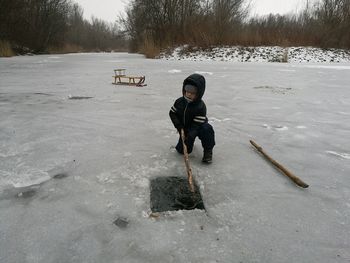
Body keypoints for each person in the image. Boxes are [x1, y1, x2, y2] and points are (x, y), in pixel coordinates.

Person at [169, 73, 215, 163]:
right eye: (187, 91)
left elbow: (196, 125)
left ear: (199, 93)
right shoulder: (179, 102)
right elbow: (172, 113)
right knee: (182, 151)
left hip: (199, 127)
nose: (189, 94)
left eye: (192, 93)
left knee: (207, 129)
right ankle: (188, 143)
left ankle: (208, 151)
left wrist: (191, 135)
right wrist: (178, 126)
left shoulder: (201, 106)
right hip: (185, 128)